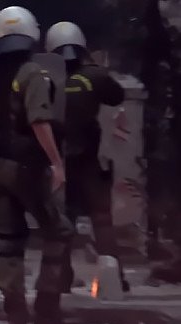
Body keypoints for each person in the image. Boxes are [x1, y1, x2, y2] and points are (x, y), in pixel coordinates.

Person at [0, 6, 78, 324]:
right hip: (27, 166)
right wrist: (57, 162)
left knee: (9, 240)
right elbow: (39, 121)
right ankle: (46, 310)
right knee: (58, 231)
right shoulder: (32, 75)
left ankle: (16, 315)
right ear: (31, 35)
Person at [46, 21, 129, 292]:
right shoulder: (95, 76)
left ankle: (61, 280)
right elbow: (117, 96)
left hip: (59, 163)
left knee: (62, 222)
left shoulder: (46, 80)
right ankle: (114, 279)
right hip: (90, 163)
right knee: (101, 219)